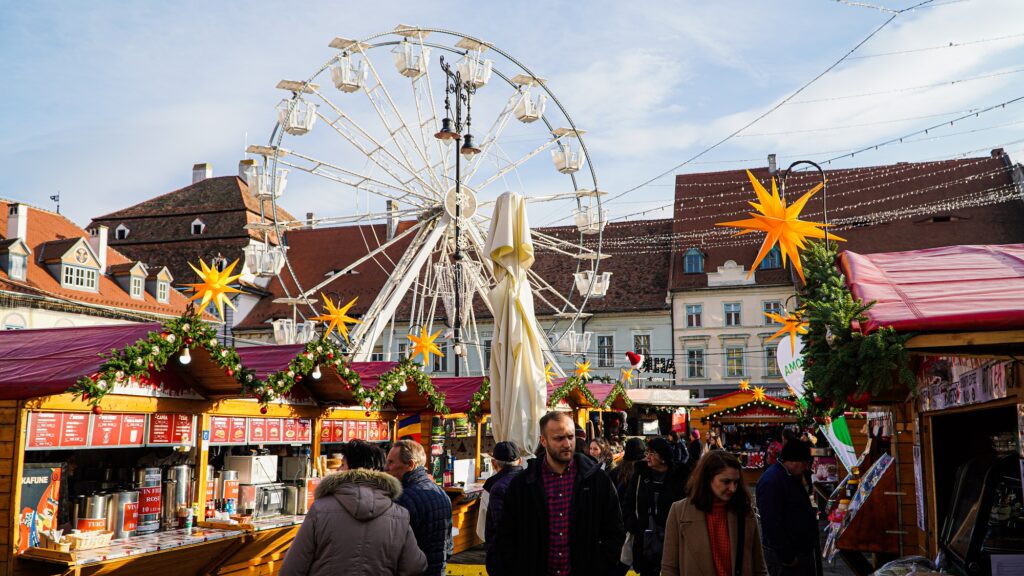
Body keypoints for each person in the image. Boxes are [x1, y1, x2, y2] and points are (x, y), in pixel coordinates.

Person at [495, 411, 625, 575]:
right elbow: (506, 535)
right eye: (559, 438)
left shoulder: (597, 480)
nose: (567, 444)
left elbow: (614, 530)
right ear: (543, 440)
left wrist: (602, 567)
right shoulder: (523, 484)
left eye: (570, 437)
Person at [280, 458, 427, 575]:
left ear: (348, 470)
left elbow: (292, 567)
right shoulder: (399, 515)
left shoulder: (320, 509)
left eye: (342, 464)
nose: (338, 469)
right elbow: (414, 566)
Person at [661, 450, 767, 576]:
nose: (733, 488)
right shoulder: (679, 512)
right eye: (726, 482)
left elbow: (759, 567)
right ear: (707, 480)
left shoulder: (744, 512)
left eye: (736, 482)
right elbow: (669, 568)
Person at [623, 437, 690, 576]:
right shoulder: (640, 474)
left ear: (663, 457)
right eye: (647, 453)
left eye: (652, 453)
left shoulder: (680, 478)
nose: (648, 457)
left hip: (671, 539)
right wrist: (633, 525)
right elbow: (628, 502)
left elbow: (686, 505)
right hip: (644, 540)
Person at [385, 439, 452, 576]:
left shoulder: (405, 498)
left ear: (410, 464)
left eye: (391, 462)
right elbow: (449, 547)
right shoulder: (440, 493)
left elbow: (394, 549)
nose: (386, 467)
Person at [755, 440, 818, 576]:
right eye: (805, 463)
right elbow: (771, 523)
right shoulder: (772, 481)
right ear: (792, 461)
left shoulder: (789, 475)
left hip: (797, 552)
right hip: (786, 558)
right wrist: (788, 557)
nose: (807, 468)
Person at [483, 441, 523, 575]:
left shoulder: (498, 487)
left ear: (494, 464)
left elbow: (501, 526)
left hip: (505, 557)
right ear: (520, 461)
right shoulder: (529, 480)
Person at [610, 437, 647, 576]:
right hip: (633, 525)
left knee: (621, 562)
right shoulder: (643, 474)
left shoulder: (616, 471)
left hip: (617, 524)